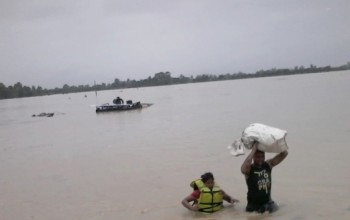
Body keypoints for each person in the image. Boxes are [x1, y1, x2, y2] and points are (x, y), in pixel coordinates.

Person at [241, 143, 288, 213]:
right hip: (254, 207)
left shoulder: (268, 165)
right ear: (253, 157)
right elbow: (243, 169)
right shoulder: (250, 169)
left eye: (262, 156)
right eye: (257, 157)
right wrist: (253, 150)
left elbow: (284, 153)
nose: (260, 159)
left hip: (268, 204)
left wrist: (275, 143)